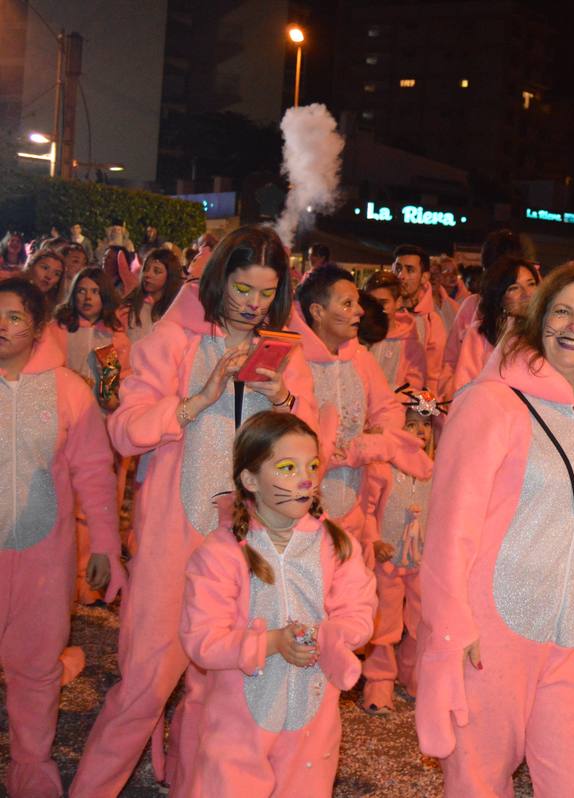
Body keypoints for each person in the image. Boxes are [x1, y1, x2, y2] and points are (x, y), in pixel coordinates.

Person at [71, 225, 316, 798]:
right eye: (243, 289)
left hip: (249, 550)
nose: (253, 305)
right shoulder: (175, 338)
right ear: (219, 278)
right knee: (144, 686)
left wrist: (283, 399)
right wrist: (198, 400)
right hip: (173, 541)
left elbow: (311, 452)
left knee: (218, 700)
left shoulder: (286, 350)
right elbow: (124, 430)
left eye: (266, 293)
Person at [416, 264, 574, 796]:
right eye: (562, 311)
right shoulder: (492, 401)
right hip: (491, 633)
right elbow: (450, 525)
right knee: (478, 784)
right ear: (538, 319)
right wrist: (451, 626)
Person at [179, 411, 376, 797]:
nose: (306, 480)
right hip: (238, 724)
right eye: (287, 468)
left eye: (312, 466)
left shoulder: (336, 545)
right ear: (250, 480)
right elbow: (202, 639)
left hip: (312, 723)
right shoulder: (221, 553)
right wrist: (271, 643)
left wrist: (329, 637)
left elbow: (359, 610)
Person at [0, 278, 124, 797]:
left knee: (34, 665)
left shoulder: (68, 390)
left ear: (37, 327)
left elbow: (94, 472)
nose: (1, 326)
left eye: (13, 317)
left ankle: (30, 765)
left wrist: (105, 546)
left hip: (43, 556)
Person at [295, 264, 433, 560]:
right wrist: (342, 451)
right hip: (302, 507)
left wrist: (373, 442)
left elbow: (388, 408)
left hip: (355, 504)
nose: (359, 311)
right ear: (317, 311)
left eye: (356, 302)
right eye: (347, 304)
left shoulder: (360, 357)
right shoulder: (295, 359)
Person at [360, 389, 440, 714]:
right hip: (388, 561)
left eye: (426, 425)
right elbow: (366, 510)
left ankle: (414, 674)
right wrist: (373, 541)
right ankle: (379, 682)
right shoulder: (382, 469)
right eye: (411, 424)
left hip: (421, 562)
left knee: (422, 619)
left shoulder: (435, 471)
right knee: (385, 621)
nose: (420, 431)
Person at [452, 255, 539, 392]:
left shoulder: (547, 332)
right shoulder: (480, 334)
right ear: (499, 296)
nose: (527, 294)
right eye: (514, 288)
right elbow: (464, 386)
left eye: (531, 284)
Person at [445, 229, 523, 377]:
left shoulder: (529, 310)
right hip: (468, 388)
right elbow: (450, 359)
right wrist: (451, 387)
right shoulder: (471, 304)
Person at [392, 245, 452, 397]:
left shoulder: (431, 321)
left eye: (410, 270)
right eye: (398, 268)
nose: (401, 275)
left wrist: (427, 405)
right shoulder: (384, 312)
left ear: (424, 277)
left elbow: (434, 375)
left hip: (414, 403)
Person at [51, 267, 128, 385]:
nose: (88, 297)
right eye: (81, 291)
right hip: (64, 393)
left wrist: (107, 386)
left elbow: (115, 382)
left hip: (98, 396)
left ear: (104, 295)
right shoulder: (58, 329)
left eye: (95, 291)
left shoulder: (115, 335)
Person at [117, 247, 185, 347]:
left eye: (156, 271)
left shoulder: (176, 311)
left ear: (170, 276)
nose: (148, 274)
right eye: (146, 269)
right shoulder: (130, 306)